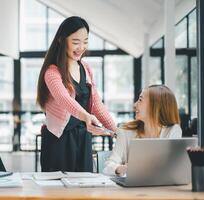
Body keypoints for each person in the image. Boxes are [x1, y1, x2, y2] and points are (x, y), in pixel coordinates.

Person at [36, 16, 117, 172]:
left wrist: (116, 132)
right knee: (57, 192)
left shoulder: (85, 69)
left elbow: (97, 105)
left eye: (85, 42)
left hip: (83, 139)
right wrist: (85, 116)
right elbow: (64, 99)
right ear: (61, 40)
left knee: (84, 189)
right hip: (57, 141)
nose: (81, 47)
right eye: (75, 42)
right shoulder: (52, 72)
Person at [103, 85, 182, 176]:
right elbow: (108, 166)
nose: (135, 105)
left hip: (162, 188)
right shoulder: (125, 132)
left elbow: (173, 167)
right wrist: (121, 169)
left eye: (140, 100)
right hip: (133, 189)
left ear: (155, 106)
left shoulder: (173, 131)